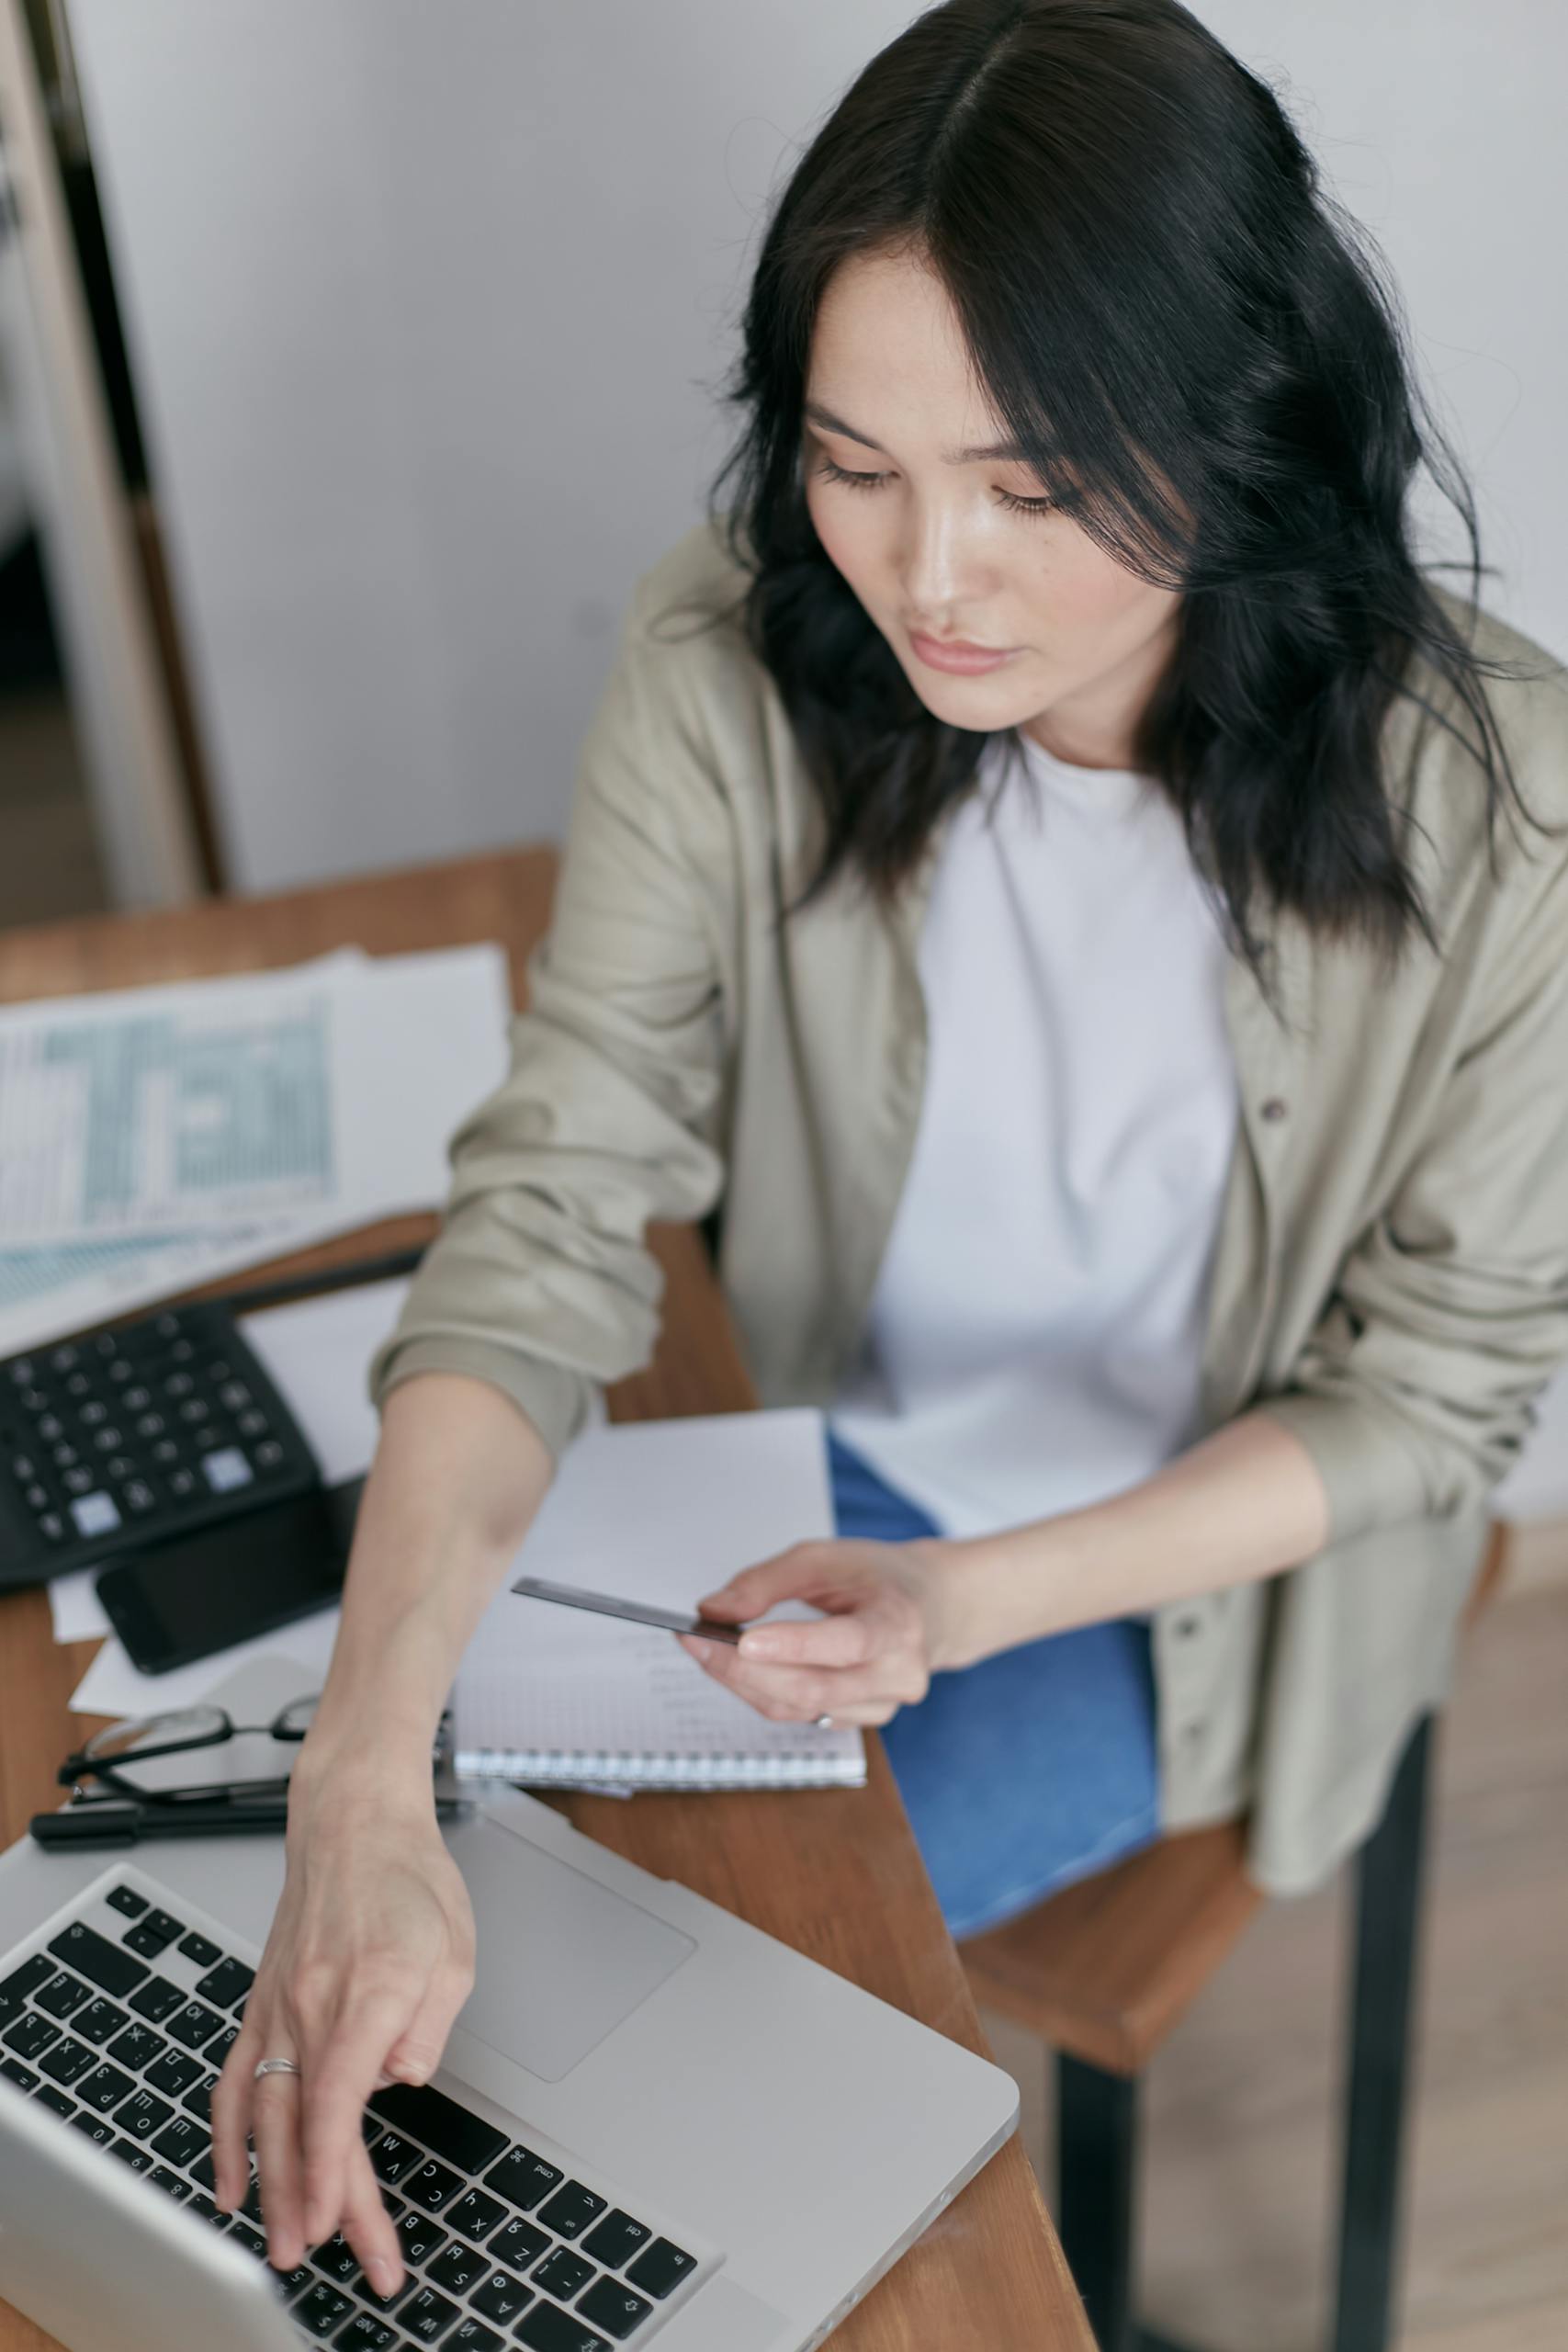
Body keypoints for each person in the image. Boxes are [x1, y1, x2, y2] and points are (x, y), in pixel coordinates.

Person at [211, 0, 1568, 2302]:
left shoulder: (1499, 811)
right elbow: (551, 1198)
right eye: (853, 462)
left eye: (1034, 486)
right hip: (790, 1451)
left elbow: (1434, 1398)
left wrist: (961, 1600)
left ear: (1238, 422)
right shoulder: (734, 657)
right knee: (350, 1856)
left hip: (1151, 1593)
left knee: (610, 2048)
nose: (926, 572)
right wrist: (359, 1773)